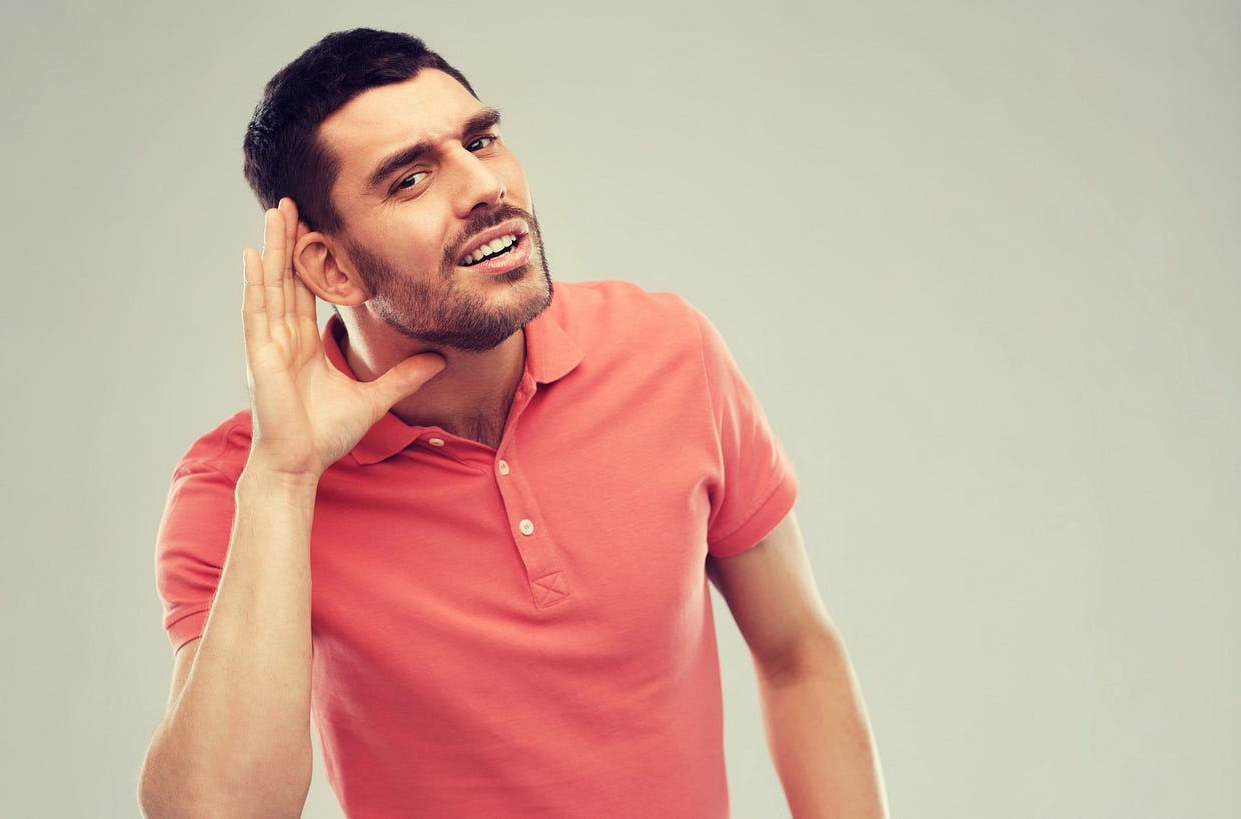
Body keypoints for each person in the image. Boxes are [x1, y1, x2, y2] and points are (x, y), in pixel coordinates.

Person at [139, 28, 888, 819]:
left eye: (480, 140)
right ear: (331, 268)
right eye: (411, 179)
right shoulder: (241, 483)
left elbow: (798, 651)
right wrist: (285, 477)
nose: (482, 186)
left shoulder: (671, 352)